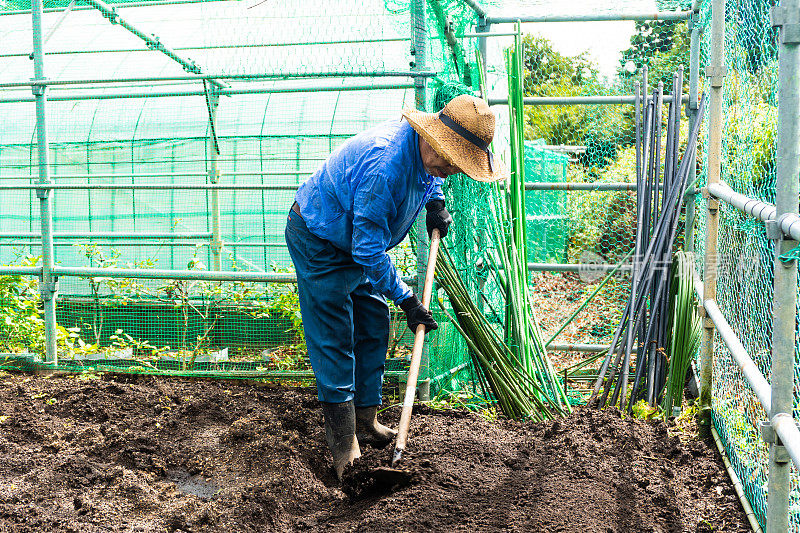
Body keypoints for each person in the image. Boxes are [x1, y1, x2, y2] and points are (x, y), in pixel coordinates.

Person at [284, 94, 508, 479]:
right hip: (320, 235)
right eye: (453, 162)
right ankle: (344, 451)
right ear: (434, 141)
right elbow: (367, 249)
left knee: (373, 322)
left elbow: (428, 179)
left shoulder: (426, 153)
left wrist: (435, 204)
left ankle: (366, 422)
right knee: (336, 335)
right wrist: (405, 297)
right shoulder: (384, 165)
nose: (452, 171)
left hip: (357, 238)